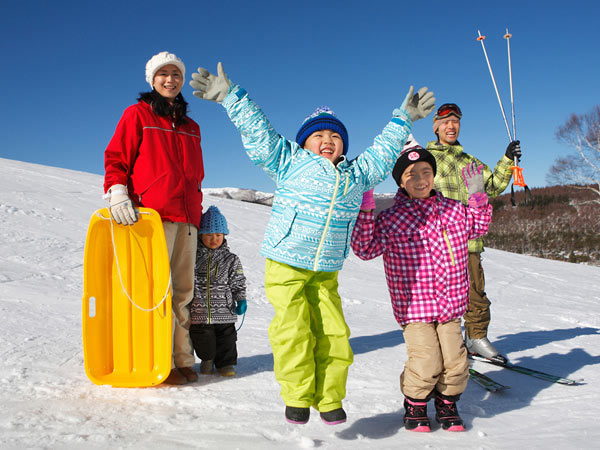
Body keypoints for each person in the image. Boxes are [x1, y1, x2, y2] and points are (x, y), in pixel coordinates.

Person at [189, 62, 435, 425]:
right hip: (286, 261)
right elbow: (260, 133)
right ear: (304, 141)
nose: (327, 141)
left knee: (334, 334)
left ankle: (330, 397)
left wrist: (404, 118)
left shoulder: (357, 174)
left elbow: (383, 152)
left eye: (335, 137)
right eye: (318, 136)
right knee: (293, 331)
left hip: (326, 271)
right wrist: (230, 97)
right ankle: (298, 396)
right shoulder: (288, 161)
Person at [351, 144, 493, 432]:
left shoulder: (454, 211)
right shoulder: (391, 219)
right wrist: (365, 209)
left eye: (426, 172)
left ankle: (447, 403)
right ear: (400, 182)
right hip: (414, 308)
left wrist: (478, 198)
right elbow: (364, 249)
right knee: (427, 360)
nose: (420, 179)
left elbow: (478, 227)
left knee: (455, 361)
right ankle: (415, 403)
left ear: (434, 176)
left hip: (451, 305)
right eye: (410, 174)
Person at [103, 51, 204, 385]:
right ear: (152, 79)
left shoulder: (192, 127)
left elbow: (195, 175)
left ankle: (182, 359)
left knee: (183, 293)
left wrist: (198, 213)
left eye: (176, 74)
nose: (170, 80)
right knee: (155, 292)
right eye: (164, 74)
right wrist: (117, 191)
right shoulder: (138, 114)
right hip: (152, 217)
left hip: (187, 218)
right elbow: (117, 156)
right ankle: (158, 360)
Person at [425, 103, 521, 363]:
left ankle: (476, 338)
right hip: (438, 245)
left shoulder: (472, 164)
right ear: (435, 126)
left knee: (475, 293)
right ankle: (443, 345)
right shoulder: (426, 159)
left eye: (455, 121)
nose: (451, 126)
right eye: (445, 122)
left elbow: (492, 187)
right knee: (438, 297)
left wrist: (506, 160)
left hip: (469, 242)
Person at [189, 205, 247, 377]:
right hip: (199, 311)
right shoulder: (193, 256)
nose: (214, 239)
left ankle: (226, 363)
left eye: (218, 235)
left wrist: (241, 299)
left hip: (225, 311)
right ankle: (207, 359)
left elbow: (238, 281)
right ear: (201, 235)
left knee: (227, 339)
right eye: (208, 235)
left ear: (224, 236)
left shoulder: (231, 259)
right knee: (202, 338)